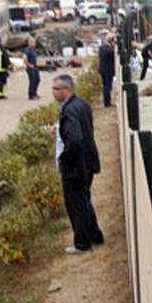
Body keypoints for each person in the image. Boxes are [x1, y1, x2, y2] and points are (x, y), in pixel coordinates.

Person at [52, 75, 103, 254]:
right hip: (87, 162)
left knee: (76, 204)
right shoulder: (81, 103)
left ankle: (82, 243)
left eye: (56, 89)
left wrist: (64, 158)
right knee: (84, 200)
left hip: (76, 166)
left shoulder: (69, 111)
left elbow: (74, 140)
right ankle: (95, 235)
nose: (53, 93)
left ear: (66, 90)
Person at [98, 33, 116, 107]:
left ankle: (107, 101)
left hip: (103, 69)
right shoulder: (108, 51)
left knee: (105, 86)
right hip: (107, 70)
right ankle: (107, 102)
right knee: (107, 87)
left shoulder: (102, 48)